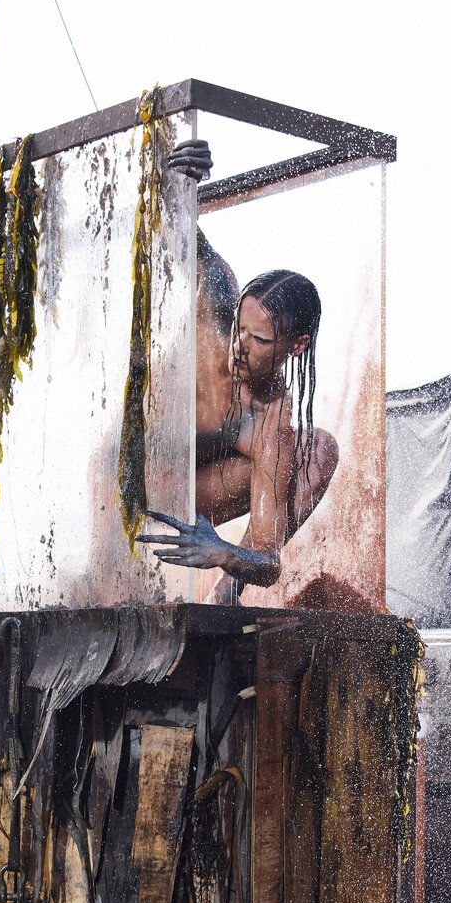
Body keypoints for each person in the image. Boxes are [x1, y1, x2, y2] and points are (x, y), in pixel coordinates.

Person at [143, 145, 339, 596]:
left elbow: (269, 561)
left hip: (178, 500)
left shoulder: (272, 418)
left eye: (260, 340)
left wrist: (223, 553)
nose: (238, 346)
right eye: (239, 328)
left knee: (319, 450)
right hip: (124, 479)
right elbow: (172, 221)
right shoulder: (215, 293)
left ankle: (224, 594)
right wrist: (177, 173)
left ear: (297, 346)